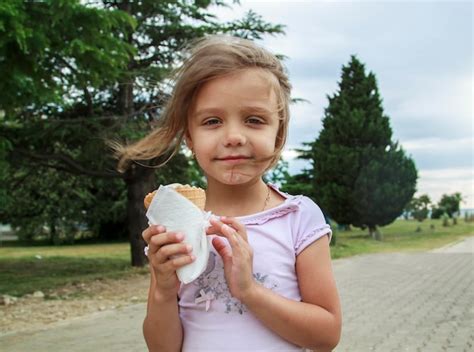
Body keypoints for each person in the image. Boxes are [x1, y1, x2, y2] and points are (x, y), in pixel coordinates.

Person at [116, 35, 341, 352]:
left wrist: (250, 290)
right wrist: (163, 290)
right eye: (212, 121)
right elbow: (162, 348)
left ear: (278, 135)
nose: (234, 136)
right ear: (190, 137)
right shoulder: (176, 225)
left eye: (254, 120)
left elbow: (326, 335)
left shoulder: (299, 217)